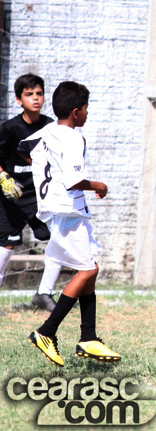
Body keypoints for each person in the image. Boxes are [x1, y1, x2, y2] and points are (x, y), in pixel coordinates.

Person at [22, 81, 119, 367]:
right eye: (86, 109)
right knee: (87, 269)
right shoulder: (73, 137)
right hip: (68, 210)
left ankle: (88, 336)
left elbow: (23, 147)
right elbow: (74, 180)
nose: (88, 114)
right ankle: (46, 331)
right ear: (76, 111)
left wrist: (42, 168)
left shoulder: (48, 130)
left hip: (56, 208)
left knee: (89, 268)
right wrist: (99, 185)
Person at [0, 74, 60, 313]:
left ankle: (43, 294)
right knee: (7, 247)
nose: (35, 98)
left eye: (39, 93)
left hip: (39, 197)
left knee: (58, 239)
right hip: (11, 199)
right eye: (29, 94)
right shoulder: (10, 128)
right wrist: (2, 176)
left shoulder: (50, 126)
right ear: (18, 99)